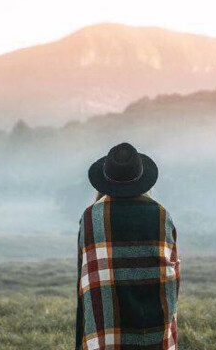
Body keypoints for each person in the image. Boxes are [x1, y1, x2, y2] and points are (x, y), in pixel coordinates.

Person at [75, 142, 180, 350]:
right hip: (154, 329)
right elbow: (172, 273)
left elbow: (85, 279)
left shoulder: (91, 217)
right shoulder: (160, 215)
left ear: (105, 181)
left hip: (107, 331)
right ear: (143, 180)